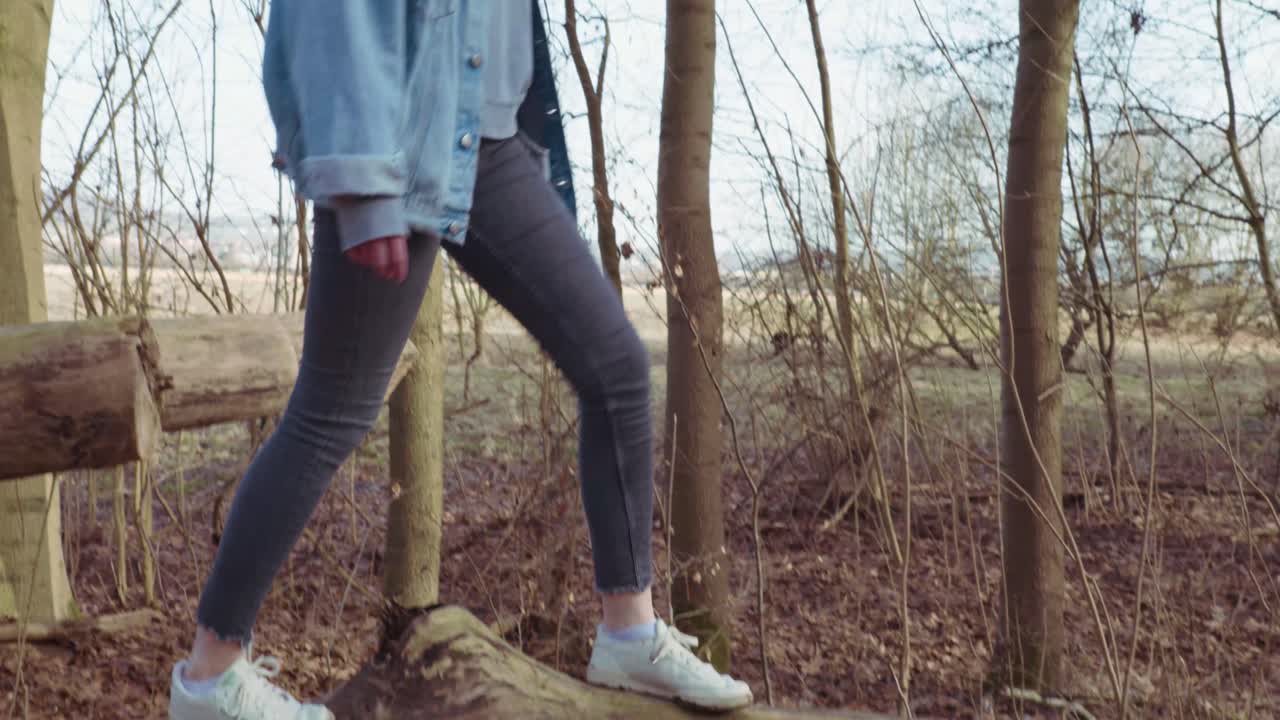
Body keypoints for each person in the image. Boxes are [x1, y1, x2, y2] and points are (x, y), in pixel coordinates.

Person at [167, 3, 753, 718]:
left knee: (618, 369)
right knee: (331, 414)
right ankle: (210, 679)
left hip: (491, 138)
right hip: (401, 137)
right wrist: (361, 181)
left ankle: (628, 632)